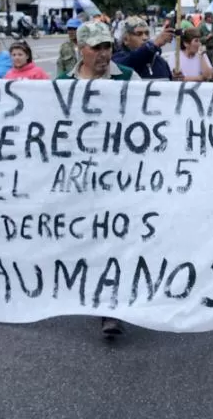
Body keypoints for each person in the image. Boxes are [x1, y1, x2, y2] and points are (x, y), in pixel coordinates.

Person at [56, 22, 139, 338]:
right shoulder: (63, 83)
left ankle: (111, 308)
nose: (104, 53)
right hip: (82, 178)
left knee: (115, 240)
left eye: (108, 46)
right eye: (97, 47)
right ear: (81, 48)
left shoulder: (128, 78)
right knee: (93, 239)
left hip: (123, 176)